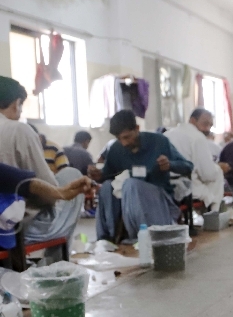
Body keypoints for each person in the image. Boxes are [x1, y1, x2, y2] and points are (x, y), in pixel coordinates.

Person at [0, 76, 85, 247]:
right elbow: (47, 193)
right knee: (72, 175)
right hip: (19, 227)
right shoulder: (19, 129)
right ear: (17, 103)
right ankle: (57, 259)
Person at [91, 110, 194, 242]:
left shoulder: (159, 142)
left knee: (131, 184)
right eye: (119, 138)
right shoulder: (116, 149)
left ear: (137, 128)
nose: (124, 143)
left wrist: (170, 165)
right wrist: (97, 176)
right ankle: (107, 238)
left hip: (158, 196)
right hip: (127, 199)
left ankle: (141, 237)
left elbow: (188, 167)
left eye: (127, 137)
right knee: (106, 187)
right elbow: (107, 175)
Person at [164, 108, 227, 212]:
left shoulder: (167, 134)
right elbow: (208, 175)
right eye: (205, 124)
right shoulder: (197, 137)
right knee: (217, 173)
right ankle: (213, 214)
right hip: (188, 188)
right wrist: (217, 167)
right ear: (193, 120)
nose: (208, 129)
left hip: (166, 186)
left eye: (210, 125)